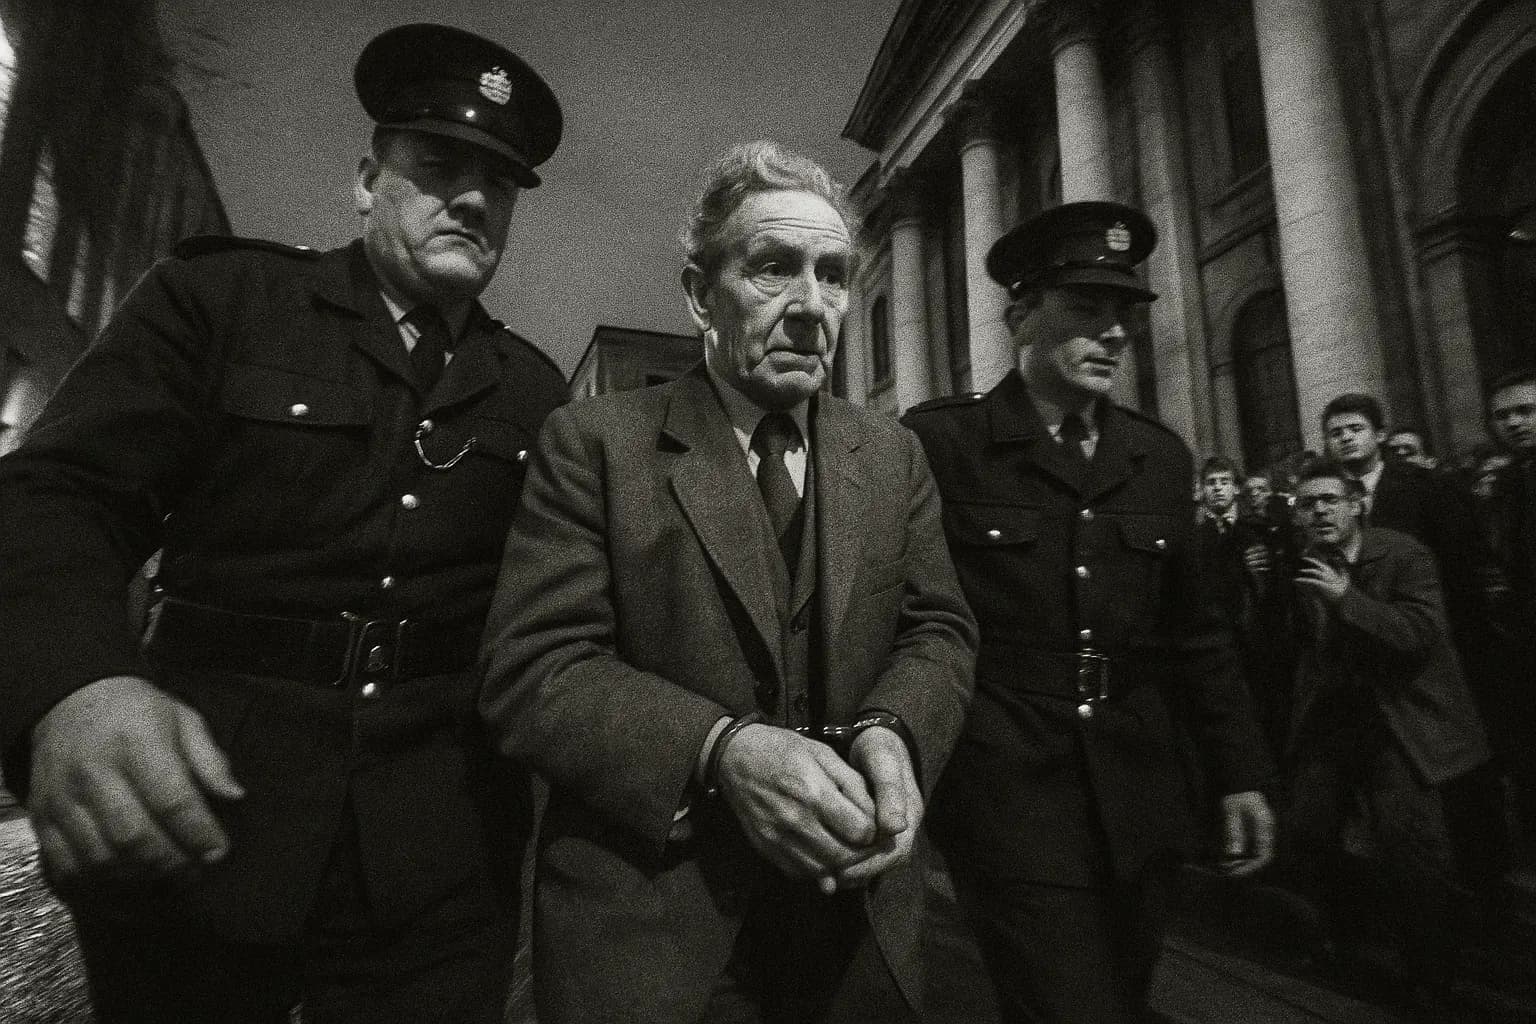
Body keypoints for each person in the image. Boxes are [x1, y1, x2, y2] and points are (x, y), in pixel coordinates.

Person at [0, 24, 566, 1023]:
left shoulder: (530, 389)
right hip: (207, 826)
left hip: (435, 860)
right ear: (364, 179)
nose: (472, 198)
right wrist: (75, 683)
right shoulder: (223, 300)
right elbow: (58, 493)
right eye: (437, 164)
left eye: (500, 183)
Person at [477, 141, 977, 1024]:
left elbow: (938, 631)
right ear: (701, 294)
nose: (810, 307)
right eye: (775, 269)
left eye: (832, 275)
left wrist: (896, 734)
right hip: (656, 942)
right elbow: (536, 667)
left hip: (853, 935)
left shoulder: (892, 454)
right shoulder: (595, 443)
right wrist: (720, 751)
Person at [902, 201, 1276, 1023]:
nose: (1113, 335)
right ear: (1020, 315)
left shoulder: (1156, 456)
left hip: (1139, 794)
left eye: (1124, 316)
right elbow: (905, 621)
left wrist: (1240, 774)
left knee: (1122, 996)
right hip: (1010, 795)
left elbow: (1198, 637)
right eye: (1085, 310)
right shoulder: (944, 445)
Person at [1280, 460, 1490, 1016]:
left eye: (1330, 500)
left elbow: (1419, 634)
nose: (1319, 511)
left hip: (1401, 722)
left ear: (1357, 505)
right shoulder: (1307, 563)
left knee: (1413, 852)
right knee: (1310, 828)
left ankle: (1431, 979)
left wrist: (1345, 598)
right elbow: (1310, 650)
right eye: (1307, 504)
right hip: (1338, 719)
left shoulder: (1403, 554)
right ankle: (1343, 941)